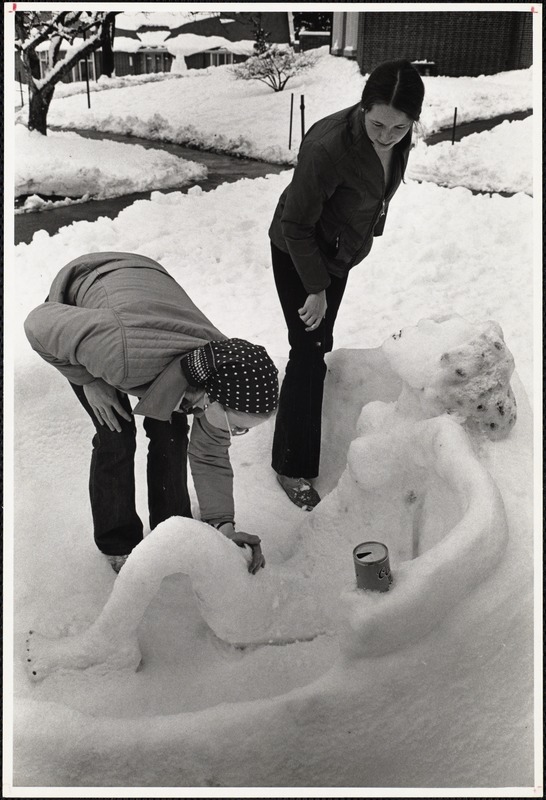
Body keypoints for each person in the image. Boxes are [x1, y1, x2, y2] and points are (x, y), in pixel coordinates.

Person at [24, 252, 279, 574]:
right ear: (211, 400)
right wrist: (88, 379)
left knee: (171, 432)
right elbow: (37, 323)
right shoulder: (119, 353)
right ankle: (117, 541)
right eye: (237, 427)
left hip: (149, 288)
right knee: (115, 434)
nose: (234, 434)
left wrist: (222, 524)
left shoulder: (225, 371)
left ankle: (170, 530)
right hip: (93, 287)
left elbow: (210, 455)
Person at [268, 59, 425, 509]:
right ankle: (290, 465)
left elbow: (375, 187)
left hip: (338, 252)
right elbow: (296, 224)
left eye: (399, 128)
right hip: (298, 249)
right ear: (363, 108)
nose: (387, 136)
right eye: (377, 124)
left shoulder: (397, 132)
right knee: (308, 348)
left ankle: (298, 417)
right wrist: (314, 288)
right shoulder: (327, 147)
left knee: (317, 343)